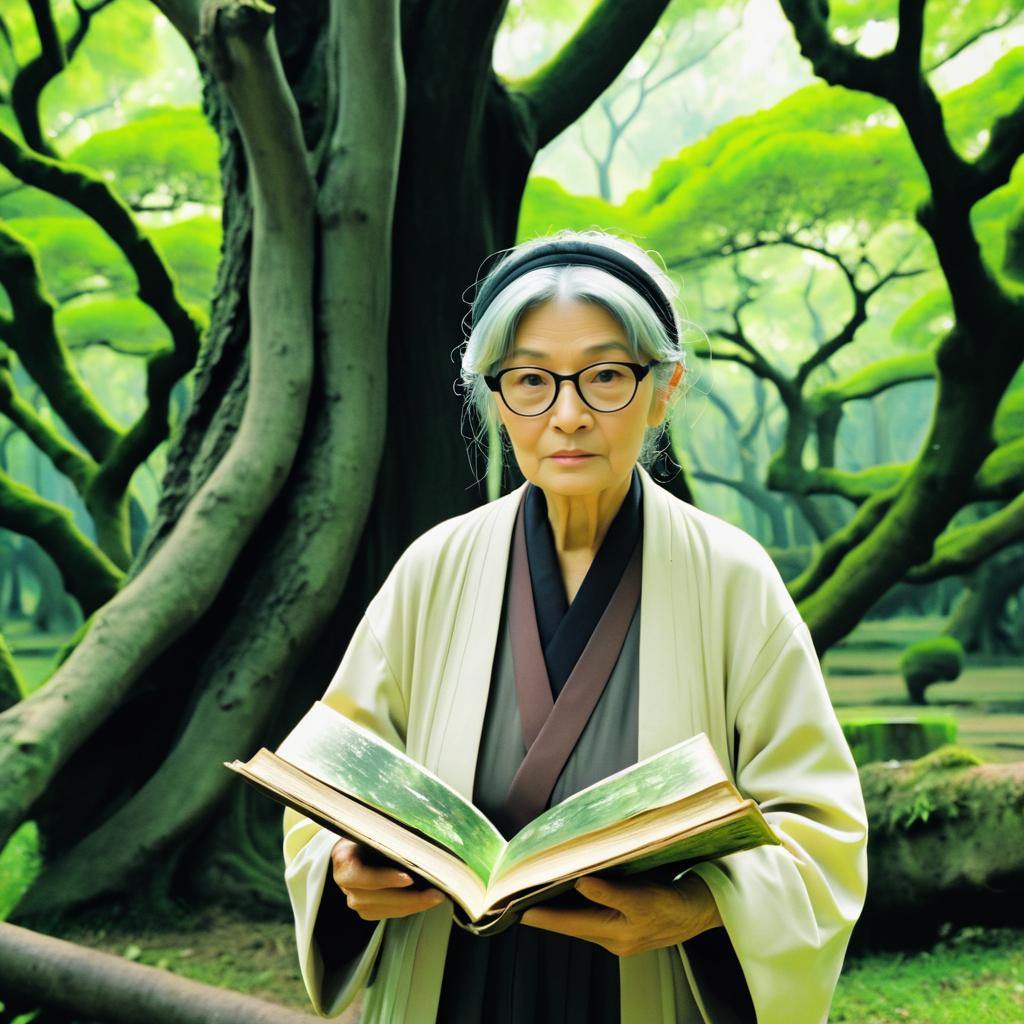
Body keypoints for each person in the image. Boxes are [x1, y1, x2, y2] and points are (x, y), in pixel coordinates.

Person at [282, 229, 869, 1023]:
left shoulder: (733, 579)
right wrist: (346, 869)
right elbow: (327, 788)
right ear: (496, 399)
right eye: (530, 381)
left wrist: (699, 909)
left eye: (605, 377)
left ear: (663, 389)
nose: (568, 415)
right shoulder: (432, 569)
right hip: (451, 988)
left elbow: (822, 830)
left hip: (645, 990)